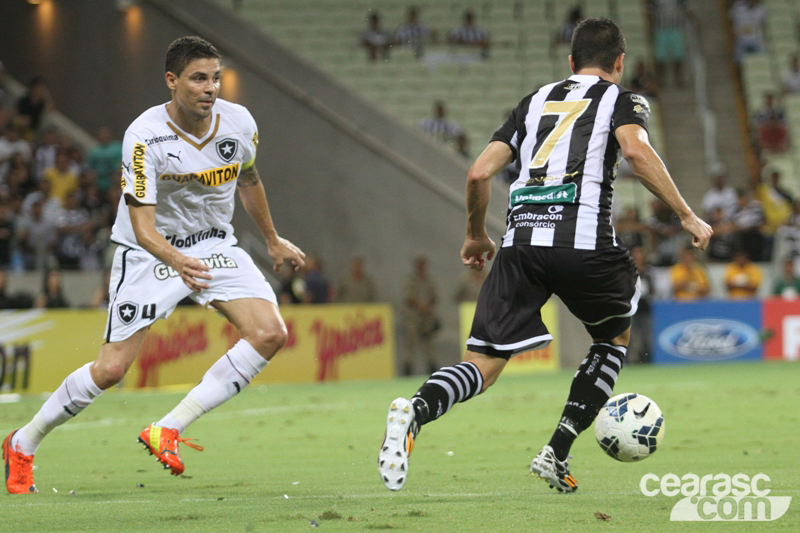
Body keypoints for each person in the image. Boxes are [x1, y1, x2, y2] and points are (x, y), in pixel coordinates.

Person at [378, 18, 711, 493]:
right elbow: (635, 151)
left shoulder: (534, 101)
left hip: (521, 243)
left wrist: (475, 236)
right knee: (612, 341)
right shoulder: (622, 98)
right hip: (584, 243)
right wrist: (686, 215)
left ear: (570, 62)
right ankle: (556, 450)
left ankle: (415, 410)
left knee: (482, 366)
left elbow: (477, 175)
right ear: (620, 62)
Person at [3, 36, 306, 495]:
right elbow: (144, 228)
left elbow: (249, 180)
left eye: (216, 78)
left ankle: (168, 427)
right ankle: (23, 442)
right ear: (172, 81)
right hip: (149, 252)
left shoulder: (239, 123)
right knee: (110, 370)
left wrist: (271, 239)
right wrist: (177, 261)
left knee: (270, 333)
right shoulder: (144, 137)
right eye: (199, 78)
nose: (211, 88)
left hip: (213, 244)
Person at [402, 255, 439, 376]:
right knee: (410, 344)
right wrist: (420, 306)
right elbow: (408, 297)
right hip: (413, 317)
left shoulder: (429, 279)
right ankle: (407, 368)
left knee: (428, 344)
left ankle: (431, 367)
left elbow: (434, 295)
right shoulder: (411, 280)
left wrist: (428, 307)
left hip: (426, 318)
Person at [650, 0, 692, 86]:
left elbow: (686, 9)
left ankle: (679, 79)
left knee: (678, 56)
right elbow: (649, 12)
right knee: (660, 58)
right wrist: (650, 29)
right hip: (660, 30)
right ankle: (661, 80)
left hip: (676, 29)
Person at [87, 126, 123, 193]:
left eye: (105, 133)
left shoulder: (117, 148)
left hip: (114, 181)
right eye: (102, 133)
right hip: (98, 181)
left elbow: (122, 163)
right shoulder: (94, 151)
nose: (104, 136)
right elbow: (91, 168)